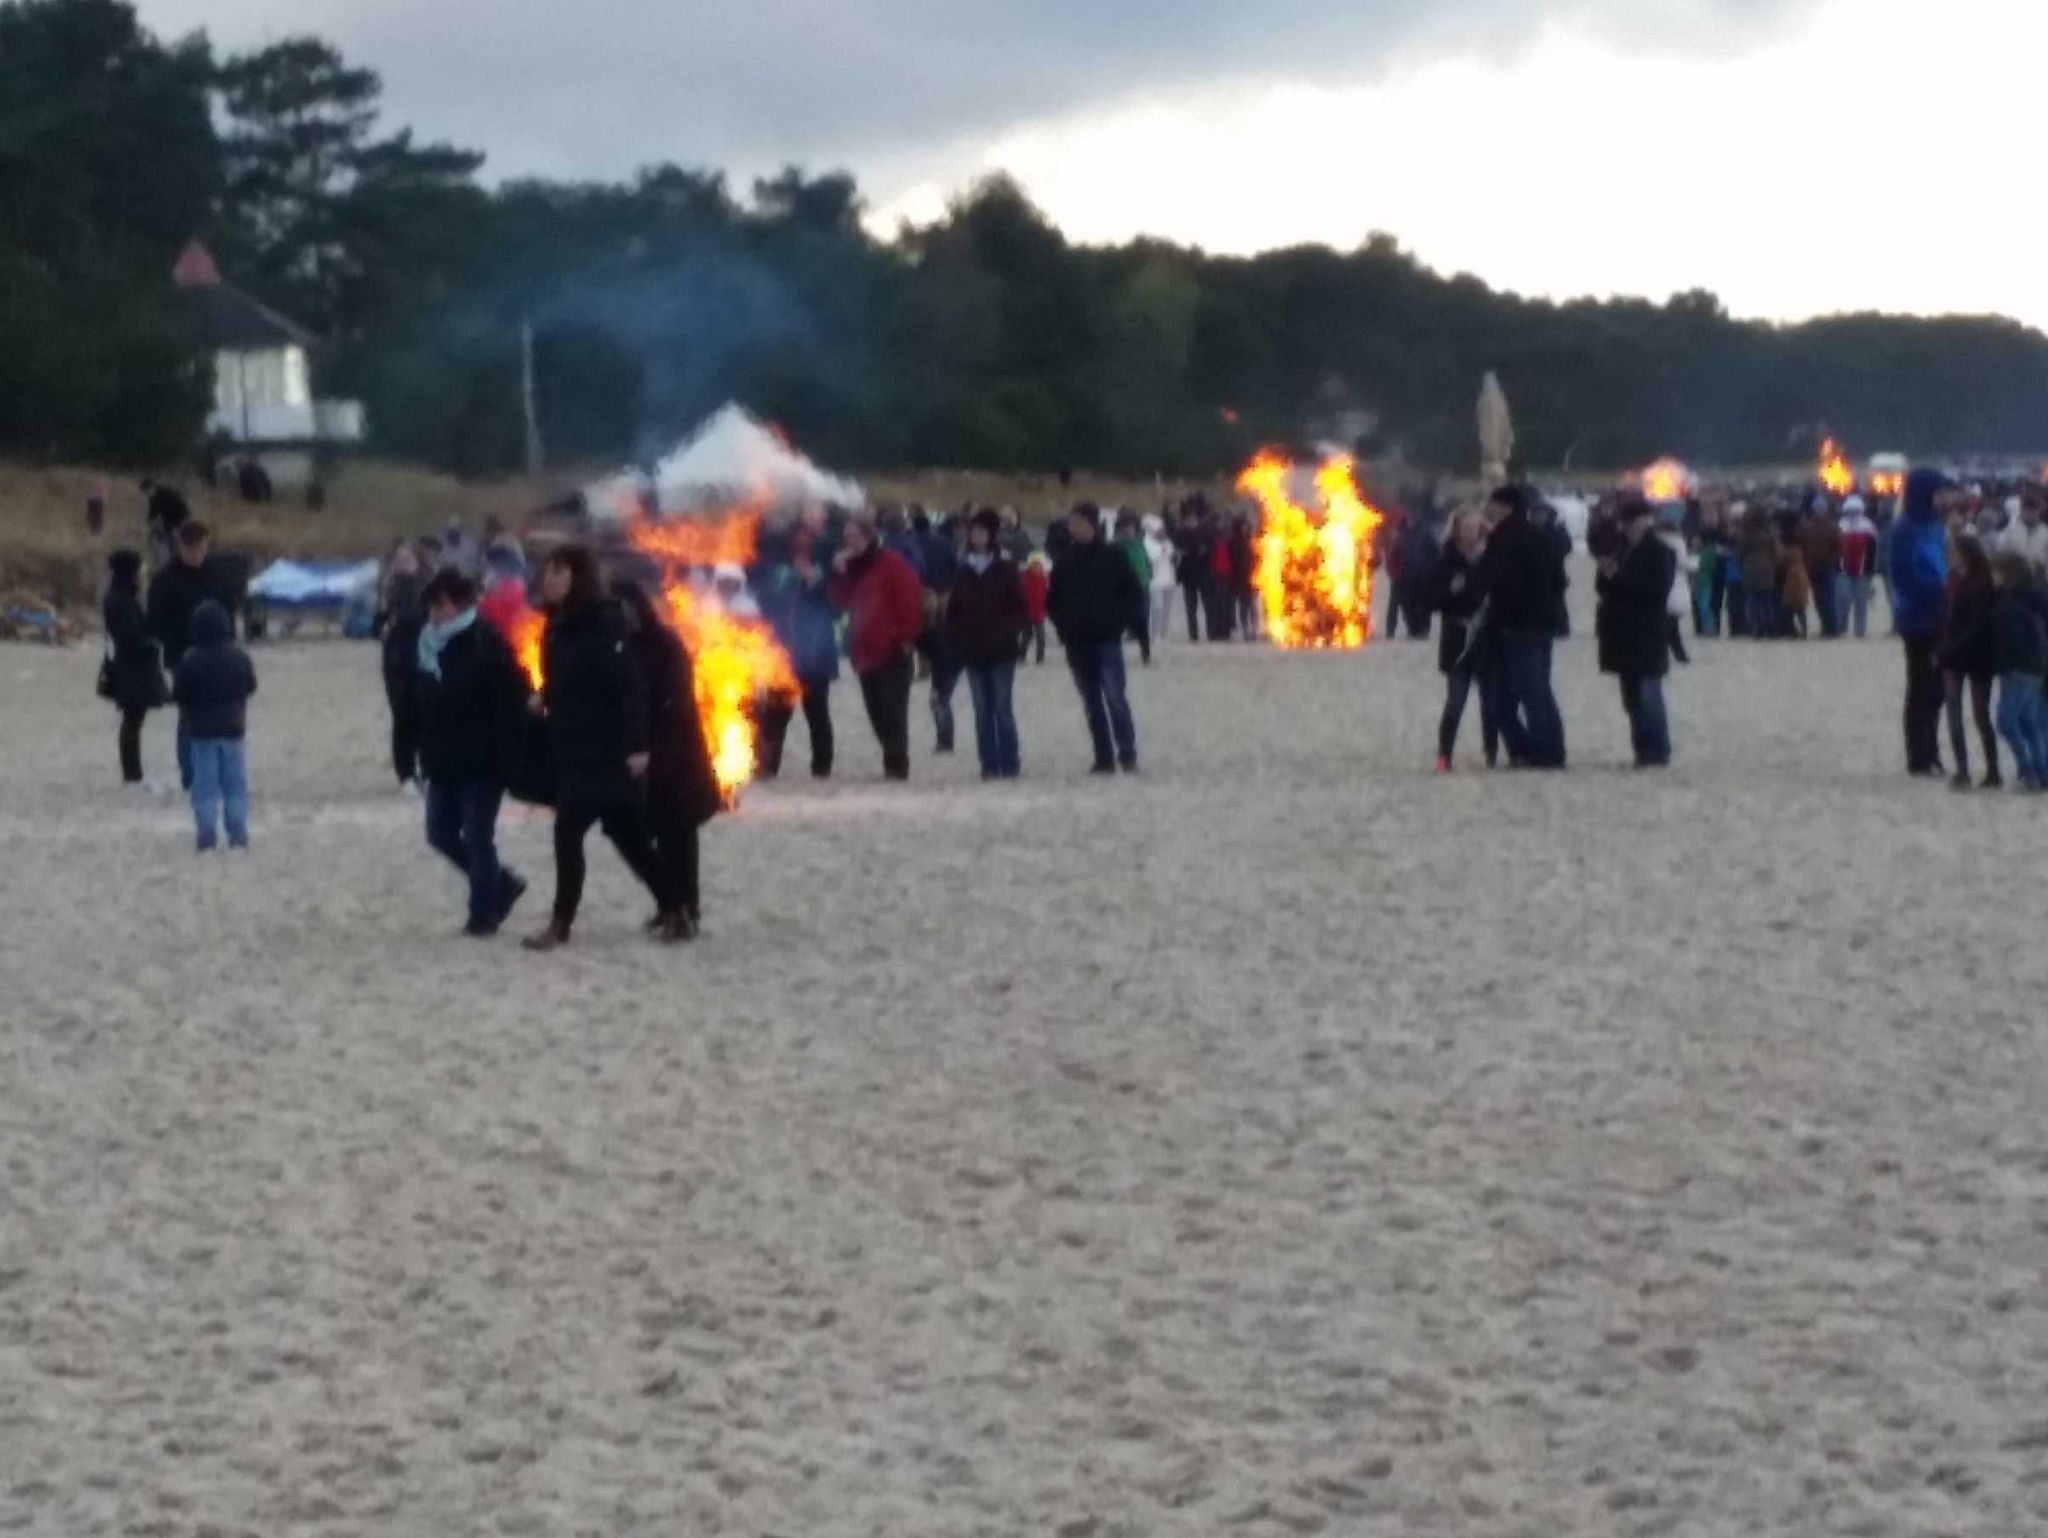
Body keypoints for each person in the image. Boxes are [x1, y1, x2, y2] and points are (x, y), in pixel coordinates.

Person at [521, 546, 682, 951]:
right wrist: (546, 697)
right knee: (628, 835)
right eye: (547, 571)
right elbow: (567, 678)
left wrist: (637, 746)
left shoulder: (604, 622)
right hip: (573, 747)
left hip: (607, 751)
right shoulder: (555, 624)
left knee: (568, 832)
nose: (549, 579)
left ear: (578, 576)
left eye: (558, 572)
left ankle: (560, 924)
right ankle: (675, 907)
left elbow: (630, 688)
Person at [412, 569, 530, 936]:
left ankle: (484, 914)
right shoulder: (427, 644)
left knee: (478, 835)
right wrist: (409, 752)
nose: (433, 614)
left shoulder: (486, 641)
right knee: (439, 833)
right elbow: (413, 702)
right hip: (440, 758)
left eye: (439, 605)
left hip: (482, 760)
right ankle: (503, 884)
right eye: (431, 606)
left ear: (456, 604)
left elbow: (514, 695)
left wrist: (509, 753)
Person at [614, 580, 720, 937]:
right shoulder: (620, 646)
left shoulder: (667, 648)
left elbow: (676, 711)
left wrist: (654, 756)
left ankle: (685, 907)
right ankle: (670, 901)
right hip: (638, 755)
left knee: (679, 835)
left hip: (676, 756)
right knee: (637, 832)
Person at [1048, 503, 1144, 774]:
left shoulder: (1113, 557)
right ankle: (1103, 756)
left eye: (1079, 523)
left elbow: (1133, 593)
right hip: (1077, 642)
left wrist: (1119, 623)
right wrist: (1064, 628)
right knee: (1091, 703)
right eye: (1072, 524)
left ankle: (1127, 752)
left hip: (1107, 639)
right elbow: (1053, 601)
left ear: (1092, 525)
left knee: (1115, 698)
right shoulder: (1064, 560)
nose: (1074, 528)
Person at [1476, 486, 1568, 769]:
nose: (1488, 509)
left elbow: (1496, 581)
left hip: (1516, 626)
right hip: (1541, 624)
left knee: (1521, 693)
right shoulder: (1541, 537)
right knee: (1538, 691)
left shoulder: (1505, 539)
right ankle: (1548, 750)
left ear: (1505, 507)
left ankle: (1534, 751)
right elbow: (1559, 580)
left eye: (1492, 504)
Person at [829, 514, 925, 780]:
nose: (849, 542)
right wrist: (838, 574)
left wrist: (904, 637)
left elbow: (910, 598)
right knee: (875, 712)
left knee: (894, 711)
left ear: (868, 537)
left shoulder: (890, 563)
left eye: (854, 536)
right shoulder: (852, 568)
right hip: (864, 651)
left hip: (893, 650)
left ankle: (897, 766)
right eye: (846, 537)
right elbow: (840, 603)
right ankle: (892, 759)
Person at [945, 508, 1029, 779]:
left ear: (992, 535)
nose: (976, 536)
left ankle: (1010, 761)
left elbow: (1019, 608)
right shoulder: (964, 571)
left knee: (1002, 708)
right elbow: (953, 611)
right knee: (982, 711)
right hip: (973, 650)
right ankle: (988, 763)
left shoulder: (1005, 569)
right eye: (974, 531)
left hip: (1001, 650)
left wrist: (1008, 633)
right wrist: (958, 639)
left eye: (982, 531)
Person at [1596, 499, 1678, 768]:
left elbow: (1656, 592)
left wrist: (1618, 578)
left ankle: (1657, 750)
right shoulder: (1620, 549)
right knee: (1631, 698)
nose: (1629, 527)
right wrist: (1607, 575)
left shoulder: (1659, 551)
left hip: (1647, 632)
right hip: (1621, 633)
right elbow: (1604, 587)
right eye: (1626, 521)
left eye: (1634, 521)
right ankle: (1641, 750)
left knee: (1648, 694)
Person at [756, 519, 840, 779]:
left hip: (815, 657)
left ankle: (822, 768)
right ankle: (768, 767)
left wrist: (814, 580)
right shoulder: (777, 571)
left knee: (817, 715)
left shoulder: (825, 572)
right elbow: (766, 602)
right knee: (775, 716)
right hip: (783, 655)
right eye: (797, 539)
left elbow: (836, 607)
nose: (801, 544)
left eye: (807, 540)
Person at [172, 601, 256, 852]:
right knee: (235, 785)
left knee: (205, 786)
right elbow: (251, 686)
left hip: (201, 733)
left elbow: (179, 694)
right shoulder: (238, 657)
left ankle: (207, 834)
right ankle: (238, 834)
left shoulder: (189, 659)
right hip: (233, 730)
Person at [148, 520, 219, 791]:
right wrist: (177, 646)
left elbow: (226, 608)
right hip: (183, 658)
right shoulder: (164, 580)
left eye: (202, 548)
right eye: (192, 549)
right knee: (188, 716)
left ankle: (212, 773)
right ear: (180, 547)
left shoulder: (214, 573)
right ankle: (190, 775)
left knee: (219, 714)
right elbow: (154, 623)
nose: (197, 554)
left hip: (216, 654)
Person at [1890, 468, 1952, 777]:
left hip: (1943, 615)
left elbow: (1945, 562)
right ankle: (1919, 755)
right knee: (1920, 686)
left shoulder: (1936, 527)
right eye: (1939, 492)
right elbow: (1903, 577)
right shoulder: (1905, 529)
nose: (1943, 498)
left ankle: (1932, 749)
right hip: (1918, 619)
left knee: (1939, 688)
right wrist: (1934, 595)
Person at [1432, 510, 1497, 772]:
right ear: (1456, 530)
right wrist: (1451, 591)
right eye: (1465, 528)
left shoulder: (1491, 557)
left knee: (1490, 702)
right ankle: (1444, 755)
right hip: (1456, 639)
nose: (1470, 533)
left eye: (1475, 527)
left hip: (1485, 638)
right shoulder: (1446, 559)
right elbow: (1433, 600)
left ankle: (1491, 753)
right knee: (1455, 703)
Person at [1937, 534, 2000, 791]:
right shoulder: (1954, 581)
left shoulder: (1981, 584)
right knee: (1955, 713)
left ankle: (1991, 770)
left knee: (1979, 713)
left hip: (1973, 654)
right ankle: (1964, 769)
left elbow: (1977, 625)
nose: (1950, 556)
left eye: (1954, 552)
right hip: (1956, 654)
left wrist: (1946, 648)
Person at [102, 550, 167, 788]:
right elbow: (131, 637)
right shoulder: (121, 600)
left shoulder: (120, 596)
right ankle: (132, 774)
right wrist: (155, 644)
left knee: (133, 721)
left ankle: (133, 773)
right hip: (132, 669)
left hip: (130, 666)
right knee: (132, 721)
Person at [1989, 553, 2048, 791]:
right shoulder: (2030, 599)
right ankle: (2041, 771)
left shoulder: (2010, 603)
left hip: (2017, 669)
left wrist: (2000, 666)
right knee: (2030, 723)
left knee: (2007, 722)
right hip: (2036, 669)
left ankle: (2028, 770)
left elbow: (2010, 642)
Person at [379, 543, 427, 789]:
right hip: (398, 661)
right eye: (400, 559)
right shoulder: (390, 590)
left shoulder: (425, 589)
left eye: (408, 559)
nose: (404, 563)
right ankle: (406, 772)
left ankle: (422, 769)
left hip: (422, 658)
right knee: (403, 717)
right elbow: (380, 624)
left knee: (424, 716)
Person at [1113, 511, 1154, 665]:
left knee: (1143, 619)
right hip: (1125, 587)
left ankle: (1145, 653)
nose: (1130, 530)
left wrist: (1149, 571)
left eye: (1132, 527)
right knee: (1119, 620)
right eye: (1127, 527)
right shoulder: (1117, 545)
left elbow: (1145, 559)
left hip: (1142, 584)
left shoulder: (1139, 543)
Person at [1839, 497, 1878, 639]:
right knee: (1843, 600)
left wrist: (1870, 570)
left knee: (1861, 602)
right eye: (1850, 511)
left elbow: (1873, 552)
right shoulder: (1841, 526)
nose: (1853, 514)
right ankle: (1841, 628)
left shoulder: (1868, 527)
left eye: (1855, 511)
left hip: (1863, 571)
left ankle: (1860, 630)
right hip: (1844, 569)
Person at [1739, 513, 1782, 639]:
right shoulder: (1769, 536)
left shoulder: (1746, 536)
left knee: (1754, 600)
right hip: (1767, 570)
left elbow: (1741, 554)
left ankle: (1757, 628)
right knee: (1767, 601)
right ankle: (1770, 628)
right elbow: (1776, 553)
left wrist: (1743, 565)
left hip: (1751, 570)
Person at [1175, 506, 1214, 642]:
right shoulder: (1181, 534)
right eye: (1189, 520)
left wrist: (1203, 551)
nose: (1191, 522)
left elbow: (1209, 550)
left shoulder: (1204, 533)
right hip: (1188, 575)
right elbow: (1179, 552)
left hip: (1203, 574)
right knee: (1191, 607)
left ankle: (1211, 632)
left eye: (1193, 519)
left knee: (1207, 605)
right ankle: (1193, 634)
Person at [1143, 514, 1178, 646]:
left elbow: (1171, 554)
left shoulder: (1168, 542)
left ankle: (1163, 634)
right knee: (1157, 608)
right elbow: (1152, 557)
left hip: (1169, 579)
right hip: (1155, 581)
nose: (1162, 533)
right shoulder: (1147, 542)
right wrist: (1162, 549)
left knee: (1167, 610)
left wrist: (1166, 549)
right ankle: (1155, 634)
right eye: (1159, 531)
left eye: (1163, 530)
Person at [1019, 553, 1051, 665]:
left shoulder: (1044, 577)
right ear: (1030, 566)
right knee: (1026, 636)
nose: (1037, 568)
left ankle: (1040, 657)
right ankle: (1021, 655)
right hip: (1027, 612)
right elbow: (1021, 595)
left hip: (1039, 612)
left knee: (1041, 636)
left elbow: (1047, 594)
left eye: (1039, 565)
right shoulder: (1024, 578)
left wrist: (1047, 608)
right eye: (1034, 565)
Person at [1781, 544, 1812, 639]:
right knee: (1800, 610)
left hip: (1791, 581)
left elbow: (1781, 564)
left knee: (1789, 609)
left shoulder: (1787, 552)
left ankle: (1792, 631)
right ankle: (1804, 631)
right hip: (1802, 578)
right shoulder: (1802, 551)